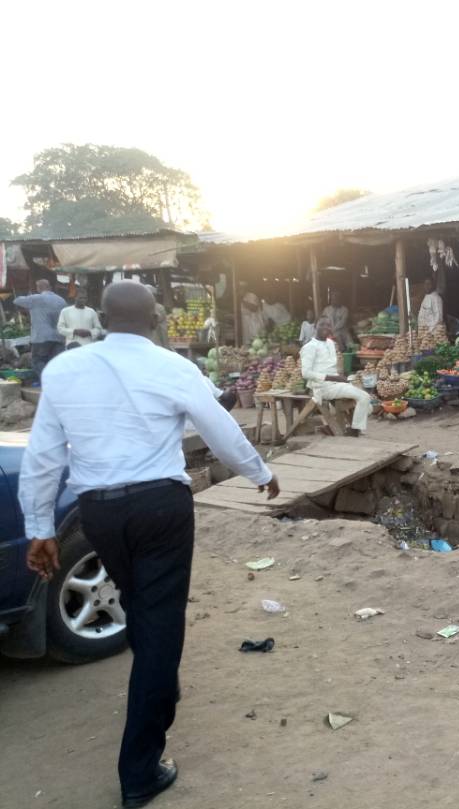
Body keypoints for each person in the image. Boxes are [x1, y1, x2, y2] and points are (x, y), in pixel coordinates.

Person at [19, 281, 279, 808]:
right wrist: (258, 471)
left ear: (100, 318)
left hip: (99, 513)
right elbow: (220, 426)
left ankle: (159, 684)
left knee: (139, 601)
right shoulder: (173, 367)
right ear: (156, 317)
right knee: (160, 623)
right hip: (162, 506)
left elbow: (43, 454)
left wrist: (40, 528)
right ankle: (139, 772)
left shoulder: (64, 370)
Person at [300, 317, 373, 435]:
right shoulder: (309, 347)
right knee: (364, 397)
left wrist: (341, 377)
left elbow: (331, 367)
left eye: (328, 325)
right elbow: (306, 373)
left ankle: (349, 427)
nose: (325, 327)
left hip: (336, 384)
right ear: (315, 326)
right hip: (322, 387)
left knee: (366, 400)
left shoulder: (330, 343)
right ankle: (354, 431)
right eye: (322, 324)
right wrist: (334, 378)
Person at [14, 280, 67, 383]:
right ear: (50, 287)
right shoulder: (61, 300)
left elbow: (17, 300)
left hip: (41, 337)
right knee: (54, 362)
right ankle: (57, 382)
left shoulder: (36, 298)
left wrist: (29, 295)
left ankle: (49, 381)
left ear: (38, 288)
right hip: (59, 336)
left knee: (37, 361)